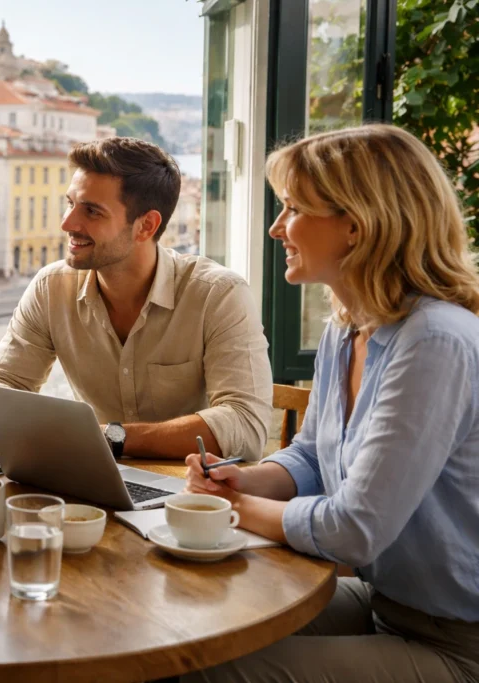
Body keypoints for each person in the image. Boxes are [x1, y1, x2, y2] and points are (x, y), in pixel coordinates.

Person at [182, 124, 479, 682]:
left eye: (292, 208)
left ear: (356, 225)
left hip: (459, 641)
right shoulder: (347, 331)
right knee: (191, 638)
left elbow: (353, 530)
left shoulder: (434, 342)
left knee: (215, 675)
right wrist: (240, 480)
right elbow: (314, 456)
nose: (276, 228)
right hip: (388, 605)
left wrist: (229, 509)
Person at [0, 137, 272, 461]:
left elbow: (246, 427)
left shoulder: (219, 295)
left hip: (190, 493)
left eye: (91, 211)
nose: (67, 223)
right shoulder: (51, 287)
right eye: (69, 203)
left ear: (146, 226)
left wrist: (109, 437)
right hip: (96, 483)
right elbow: (0, 383)